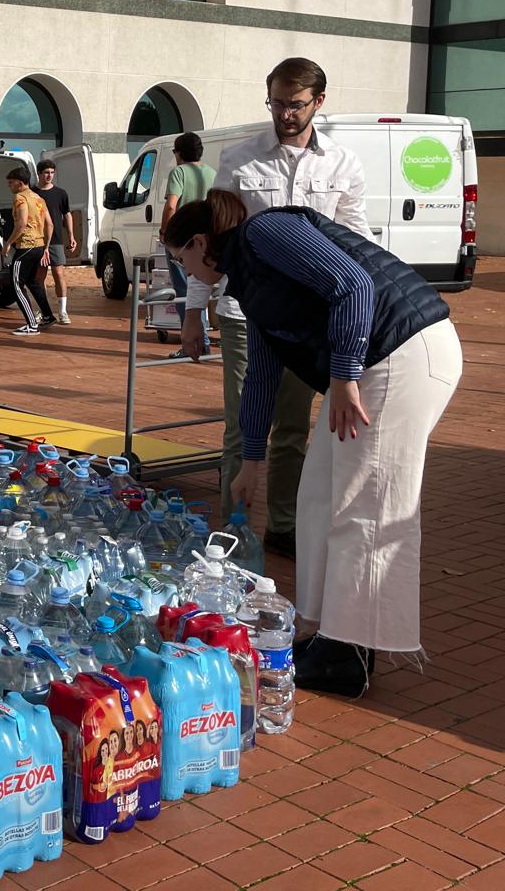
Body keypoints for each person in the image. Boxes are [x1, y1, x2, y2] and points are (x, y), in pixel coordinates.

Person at [164, 189, 460, 696]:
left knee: (363, 504)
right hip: (372, 365)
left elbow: (353, 285)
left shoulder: (265, 232)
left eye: (183, 261)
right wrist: (250, 464)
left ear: (199, 242)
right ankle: (324, 632)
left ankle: (350, 654)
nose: (187, 274)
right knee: (319, 494)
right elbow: (260, 377)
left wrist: (343, 376)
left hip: (404, 352)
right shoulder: (249, 284)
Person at [180, 58, 370, 558]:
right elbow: (212, 238)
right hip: (247, 313)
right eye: (277, 102)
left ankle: (283, 526)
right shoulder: (240, 160)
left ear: (318, 103)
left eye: (296, 104)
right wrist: (194, 312)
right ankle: (230, 528)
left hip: (308, 323)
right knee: (244, 423)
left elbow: (357, 241)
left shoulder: (342, 164)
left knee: (291, 429)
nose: (285, 113)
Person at [160, 132, 215, 335]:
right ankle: (205, 339)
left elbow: (171, 206)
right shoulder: (212, 173)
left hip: (183, 240)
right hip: (207, 239)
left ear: (180, 153)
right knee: (202, 287)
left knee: (184, 291)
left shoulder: (179, 172)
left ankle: (192, 339)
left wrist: (166, 231)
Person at [3, 167, 53, 336]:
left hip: (25, 246)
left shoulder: (20, 198)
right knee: (33, 282)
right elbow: (50, 224)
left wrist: (8, 242)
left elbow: (22, 222)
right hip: (39, 245)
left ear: (20, 182)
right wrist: (46, 246)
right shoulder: (38, 198)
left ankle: (32, 324)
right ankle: (47, 315)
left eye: (11, 183)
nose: (9, 186)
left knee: (16, 284)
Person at [33, 159, 75, 325]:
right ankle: (43, 310)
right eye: (46, 172)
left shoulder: (61, 193)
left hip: (57, 239)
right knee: (39, 277)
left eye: (51, 172)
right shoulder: (32, 192)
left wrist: (71, 235)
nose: (49, 175)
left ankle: (63, 311)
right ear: (39, 173)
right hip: (37, 240)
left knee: (59, 274)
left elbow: (67, 214)